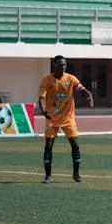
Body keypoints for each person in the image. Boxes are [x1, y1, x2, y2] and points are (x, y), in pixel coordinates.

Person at [37, 55, 94, 184]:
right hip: (52, 118)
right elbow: (40, 99)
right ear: (54, 65)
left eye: (64, 65)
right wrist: (44, 111)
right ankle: (48, 176)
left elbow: (82, 89)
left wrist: (88, 95)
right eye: (60, 64)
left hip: (68, 118)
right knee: (49, 145)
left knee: (75, 144)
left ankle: (76, 174)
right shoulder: (46, 80)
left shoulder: (71, 78)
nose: (63, 67)